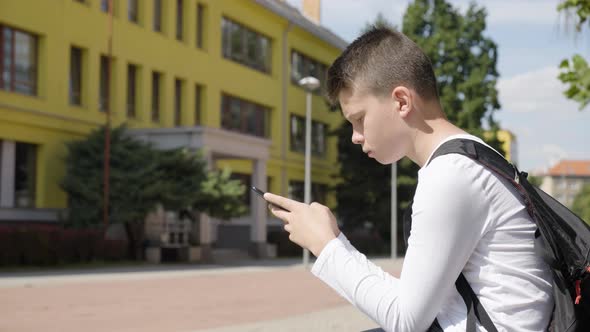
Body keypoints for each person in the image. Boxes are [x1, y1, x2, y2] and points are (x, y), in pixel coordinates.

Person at [263, 28, 554, 331]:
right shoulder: (474, 156)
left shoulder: (450, 176)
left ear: (401, 101)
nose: (355, 136)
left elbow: (404, 320)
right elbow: (411, 305)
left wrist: (326, 244)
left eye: (359, 119)